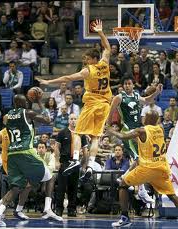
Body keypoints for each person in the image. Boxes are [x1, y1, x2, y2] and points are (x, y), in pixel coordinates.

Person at [37, 19, 112, 181]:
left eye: (86, 58)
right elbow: (107, 48)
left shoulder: (87, 71)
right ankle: (91, 164)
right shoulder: (105, 63)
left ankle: (76, 160)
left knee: (77, 132)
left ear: (93, 59)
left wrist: (48, 82)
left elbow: (67, 77)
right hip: (105, 105)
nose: (84, 60)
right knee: (96, 137)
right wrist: (100, 32)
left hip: (92, 104)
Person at [107, 110, 178, 229]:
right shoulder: (160, 129)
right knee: (172, 196)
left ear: (147, 118)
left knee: (123, 184)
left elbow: (123, 137)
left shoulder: (142, 130)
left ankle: (125, 218)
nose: (143, 117)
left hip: (147, 168)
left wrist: (112, 131)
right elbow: (145, 140)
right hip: (161, 168)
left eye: (145, 116)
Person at [0, 95, 62, 227]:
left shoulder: (7, 116)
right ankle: (47, 209)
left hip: (12, 155)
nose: (28, 102)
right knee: (51, 177)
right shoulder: (28, 112)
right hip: (26, 153)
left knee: (16, 187)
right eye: (26, 101)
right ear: (23, 103)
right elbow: (48, 120)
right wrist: (40, 101)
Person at [107, 77, 163, 204]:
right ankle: (141, 190)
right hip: (128, 131)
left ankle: (125, 177)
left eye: (129, 84)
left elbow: (148, 100)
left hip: (138, 130)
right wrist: (108, 126)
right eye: (125, 84)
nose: (127, 86)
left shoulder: (137, 95)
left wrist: (157, 92)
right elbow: (111, 111)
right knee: (139, 160)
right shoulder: (119, 97)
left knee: (141, 160)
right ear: (123, 85)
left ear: (133, 85)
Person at [0, 127, 32, 220]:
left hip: (19, 163)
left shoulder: (21, 130)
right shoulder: (2, 133)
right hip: (9, 164)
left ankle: (1, 205)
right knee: (16, 187)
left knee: (27, 185)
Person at [55, 113, 88, 217]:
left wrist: (83, 165)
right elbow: (56, 147)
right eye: (71, 119)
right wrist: (57, 161)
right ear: (68, 120)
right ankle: (59, 209)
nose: (73, 121)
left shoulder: (81, 134)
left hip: (76, 163)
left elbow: (85, 151)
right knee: (61, 187)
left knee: (73, 187)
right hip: (64, 162)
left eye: (75, 119)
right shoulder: (62, 133)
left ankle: (71, 209)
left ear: (78, 120)